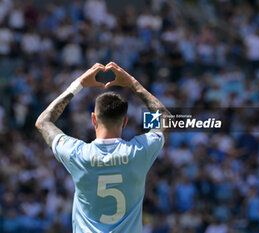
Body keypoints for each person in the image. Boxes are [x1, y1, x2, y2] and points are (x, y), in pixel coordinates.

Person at [35, 62, 171, 233]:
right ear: (125, 122)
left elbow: (43, 122)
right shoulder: (139, 151)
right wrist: (132, 83)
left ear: (93, 119)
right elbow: (166, 118)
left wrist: (78, 84)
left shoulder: (77, 154)